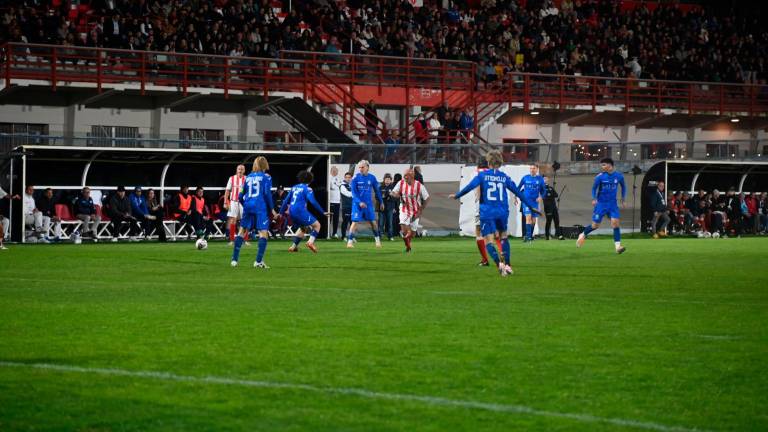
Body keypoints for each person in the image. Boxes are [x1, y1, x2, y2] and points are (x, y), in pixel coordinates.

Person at [450, 150, 541, 277]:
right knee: (503, 236)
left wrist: (457, 196)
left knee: (488, 240)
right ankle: (508, 265)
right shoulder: (504, 177)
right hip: (502, 211)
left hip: (487, 211)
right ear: (500, 162)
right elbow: (518, 192)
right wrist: (531, 206)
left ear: (488, 162)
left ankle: (499, 264)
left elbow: (470, 187)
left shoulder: (481, 176)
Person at [231, 156, 276, 268]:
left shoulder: (248, 177)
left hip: (248, 206)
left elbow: (240, 195)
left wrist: (245, 204)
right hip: (260, 207)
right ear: (265, 165)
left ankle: (234, 260)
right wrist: (272, 209)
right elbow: (267, 194)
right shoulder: (266, 177)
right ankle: (258, 261)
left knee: (242, 231)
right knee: (263, 233)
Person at [576, 158, 627, 254]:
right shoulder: (599, 177)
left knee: (615, 223)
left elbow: (624, 186)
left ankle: (618, 247)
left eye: (603, 165)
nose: (602, 167)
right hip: (601, 204)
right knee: (595, 225)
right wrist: (594, 198)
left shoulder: (619, 176)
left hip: (613, 204)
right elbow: (594, 188)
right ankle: (583, 234)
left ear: (610, 165)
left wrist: (623, 198)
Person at [280, 170, 328, 253]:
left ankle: (293, 247)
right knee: (317, 225)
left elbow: (285, 201)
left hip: (291, 211)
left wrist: (280, 213)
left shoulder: (294, 187)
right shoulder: (308, 189)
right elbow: (313, 201)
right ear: (310, 179)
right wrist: (322, 212)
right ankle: (310, 242)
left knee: (303, 228)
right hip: (300, 211)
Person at [390, 168, 430, 252]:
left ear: (412, 176)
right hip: (404, 208)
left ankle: (408, 246)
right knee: (404, 228)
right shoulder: (400, 183)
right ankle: (406, 239)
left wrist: (421, 209)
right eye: (404, 176)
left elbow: (427, 198)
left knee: (413, 233)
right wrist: (395, 195)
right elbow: (392, 192)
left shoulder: (419, 185)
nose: (404, 177)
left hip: (416, 210)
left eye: (406, 176)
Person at [347, 160, 384, 248]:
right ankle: (349, 242)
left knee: (373, 222)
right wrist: (359, 202)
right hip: (357, 205)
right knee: (354, 222)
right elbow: (354, 193)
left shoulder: (372, 178)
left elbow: (377, 191)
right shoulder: (355, 178)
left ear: (367, 167)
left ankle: (378, 242)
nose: (360, 169)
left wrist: (381, 202)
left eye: (362, 167)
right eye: (359, 167)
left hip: (368, 205)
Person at [516, 163, 546, 242]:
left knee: (533, 220)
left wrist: (540, 197)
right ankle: (528, 237)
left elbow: (544, 191)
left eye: (534, 168)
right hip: (526, 201)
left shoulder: (540, 179)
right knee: (528, 218)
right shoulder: (525, 178)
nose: (532, 170)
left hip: (534, 202)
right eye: (531, 168)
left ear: (537, 169)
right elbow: (518, 188)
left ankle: (530, 235)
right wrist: (515, 197)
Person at [224, 164, 247, 245]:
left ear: (244, 170)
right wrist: (225, 202)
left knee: (245, 220)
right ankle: (232, 240)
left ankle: (245, 240)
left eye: (242, 169)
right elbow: (227, 190)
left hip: (243, 202)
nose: (240, 170)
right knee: (233, 220)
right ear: (236, 170)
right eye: (239, 169)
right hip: (233, 201)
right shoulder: (232, 178)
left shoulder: (247, 178)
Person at [542, 176, 563, 240]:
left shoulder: (550, 188)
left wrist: (550, 194)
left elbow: (556, 195)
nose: (546, 180)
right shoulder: (542, 188)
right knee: (549, 221)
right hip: (548, 207)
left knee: (557, 221)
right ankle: (547, 235)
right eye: (544, 179)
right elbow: (545, 196)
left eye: (547, 179)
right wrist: (550, 195)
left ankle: (559, 235)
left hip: (554, 207)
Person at [379, 173, 397, 241]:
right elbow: (377, 197)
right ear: (384, 180)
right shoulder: (380, 187)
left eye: (389, 179)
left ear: (391, 180)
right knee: (381, 223)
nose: (387, 180)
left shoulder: (393, 188)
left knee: (390, 223)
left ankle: (390, 236)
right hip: (382, 208)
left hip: (390, 208)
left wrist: (394, 207)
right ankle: (379, 236)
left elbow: (395, 198)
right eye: (386, 179)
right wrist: (382, 199)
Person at [328, 166, 342, 238]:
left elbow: (340, 187)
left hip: (337, 201)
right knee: (329, 218)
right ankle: (328, 233)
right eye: (334, 170)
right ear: (331, 171)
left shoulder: (338, 179)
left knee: (336, 218)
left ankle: (334, 233)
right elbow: (331, 187)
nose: (335, 172)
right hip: (331, 201)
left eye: (336, 171)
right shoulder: (328, 178)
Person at [340, 171, 353, 240]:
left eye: (349, 177)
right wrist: (355, 193)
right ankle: (343, 236)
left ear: (351, 178)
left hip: (353, 207)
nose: (348, 179)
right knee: (345, 221)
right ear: (344, 178)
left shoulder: (352, 185)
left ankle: (351, 237)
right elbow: (348, 194)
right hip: (346, 207)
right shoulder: (342, 186)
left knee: (352, 222)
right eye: (346, 177)